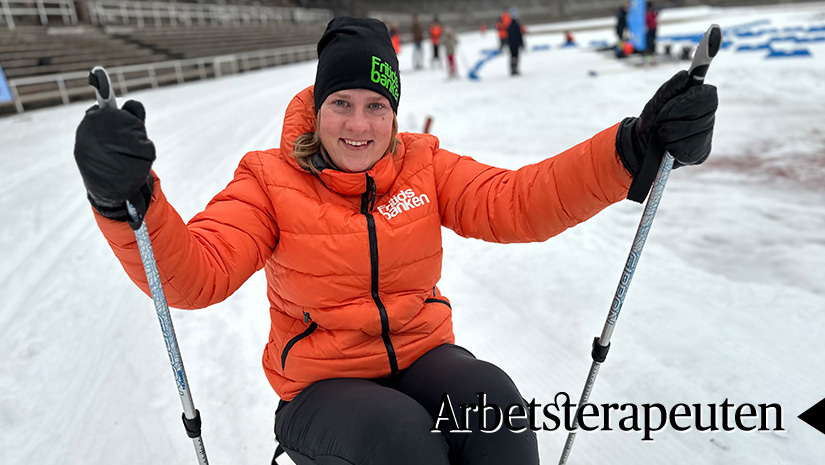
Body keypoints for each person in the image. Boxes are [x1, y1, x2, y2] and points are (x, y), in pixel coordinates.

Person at [73, 17, 717, 465]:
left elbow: (521, 202)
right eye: (342, 103)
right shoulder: (269, 181)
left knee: (499, 411)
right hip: (321, 390)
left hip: (422, 357)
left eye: (376, 105)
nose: (359, 124)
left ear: (395, 111)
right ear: (317, 106)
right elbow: (194, 274)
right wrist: (123, 196)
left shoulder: (423, 166)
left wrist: (633, 149)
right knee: (403, 440)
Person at [507, 8, 525, 75]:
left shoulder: (510, 24)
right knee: (515, 56)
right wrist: (522, 43)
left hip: (512, 44)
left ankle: (513, 69)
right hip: (515, 44)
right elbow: (519, 35)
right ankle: (514, 69)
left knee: (513, 56)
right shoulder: (516, 25)